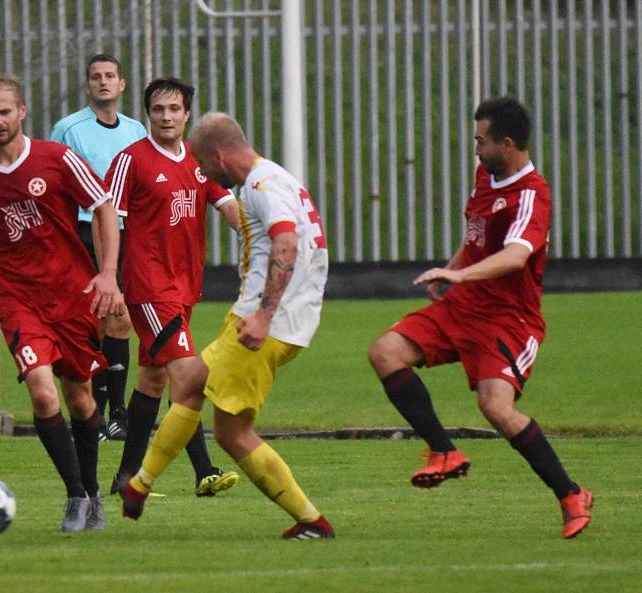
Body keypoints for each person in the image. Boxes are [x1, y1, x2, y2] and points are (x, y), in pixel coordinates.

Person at [368, 96, 593, 539]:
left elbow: (514, 257)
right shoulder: (485, 176)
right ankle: (444, 452)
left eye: (480, 141)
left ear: (506, 144)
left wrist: (458, 273)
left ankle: (570, 494)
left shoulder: (532, 194)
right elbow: (476, 237)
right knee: (385, 352)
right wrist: (454, 273)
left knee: (496, 408)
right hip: (462, 306)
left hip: (509, 320)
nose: (475, 149)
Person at [0, 76, 124, 533]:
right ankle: (74, 496)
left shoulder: (56, 158)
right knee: (41, 390)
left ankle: (91, 493)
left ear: (22, 111)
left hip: (71, 295)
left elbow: (104, 206)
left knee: (79, 396)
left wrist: (107, 273)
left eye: (4, 112)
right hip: (17, 297)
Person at [120, 111, 335, 540]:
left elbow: (287, 242)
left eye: (202, 163)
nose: (200, 172)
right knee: (192, 383)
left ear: (219, 154)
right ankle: (138, 486)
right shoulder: (278, 177)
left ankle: (312, 521)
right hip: (276, 318)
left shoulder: (259, 186)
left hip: (265, 324)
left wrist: (264, 314)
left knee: (232, 434)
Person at [104, 78, 240, 498]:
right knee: (189, 377)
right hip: (149, 288)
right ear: (148, 113)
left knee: (153, 381)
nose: (166, 116)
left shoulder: (199, 161)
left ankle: (125, 478)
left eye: (174, 109)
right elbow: (108, 215)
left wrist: (261, 240)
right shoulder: (132, 160)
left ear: (187, 115)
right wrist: (109, 274)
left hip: (184, 287)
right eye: (158, 109)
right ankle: (205, 470)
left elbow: (227, 205)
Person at [51, 54, 146, 442]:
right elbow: (52, 177)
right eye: (95, 77)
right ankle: (92, 415)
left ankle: (117, 413)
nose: (103, 82)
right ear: (88, 85)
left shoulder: (137, 129)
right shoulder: (68, 128)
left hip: (124, 233)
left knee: (121, 318)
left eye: (110, 76)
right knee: (92, 320)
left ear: (122, 84)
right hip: (83, 232)